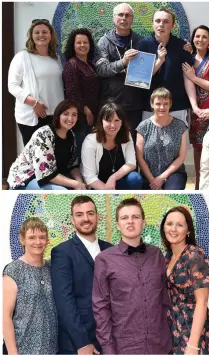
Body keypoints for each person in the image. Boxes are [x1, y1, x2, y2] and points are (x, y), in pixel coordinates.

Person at [92, 198, 172, 354]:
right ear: (117, 225)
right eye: (124, 218)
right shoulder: (104, 260)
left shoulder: (157, 254)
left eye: (135, 217)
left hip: (160, 346)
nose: (130, 222)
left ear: (143, 222)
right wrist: (108, 348)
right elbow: (100, 308)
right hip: (124, 348)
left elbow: (164, 299)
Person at [51, 195, 112, 355]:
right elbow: (64, 302)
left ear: (98, 216)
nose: (86, 219)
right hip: (78, 344)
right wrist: (82, 343)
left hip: (109, 340)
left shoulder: (110, 249)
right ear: (72, 220)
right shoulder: (62, 252)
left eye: (90, 213)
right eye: (79, 215)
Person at [160, 206, 209, 354]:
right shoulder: (166, 258)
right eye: (170, 224)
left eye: (180, 225)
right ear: (163, 227)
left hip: (192, 330)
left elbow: (202, 302)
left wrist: (193, 345)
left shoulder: (194, 255)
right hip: (172, 329)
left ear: (188, 230)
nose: (173, 229)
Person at [3, 217, 58, 355]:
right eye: (32, 237)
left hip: (52, 348)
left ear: (47, 240)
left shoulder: (52, 268)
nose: (38, 242)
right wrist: (12, 352)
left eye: (42, 237)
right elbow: (5, 316)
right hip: (23, 348)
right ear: (22, 240)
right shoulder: (13, 270)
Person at [137, 8, 201, 125]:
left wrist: (194, 105)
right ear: (152, 24)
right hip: (150, 107)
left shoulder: (182, 46)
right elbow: (140, 79)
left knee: (179, 143)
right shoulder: (143, 45)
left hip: (177, 106)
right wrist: (160, 61)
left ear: (173, 25)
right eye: (157, 21)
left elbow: (187, 77)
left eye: (166, 21)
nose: (161, 25)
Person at [7, 99, 87, 190]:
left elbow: (72, 165)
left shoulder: (71, 135)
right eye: (66, 114)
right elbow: (46, 174)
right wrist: (75, 184)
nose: (70, 118)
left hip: (51, 177)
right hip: (27, 179)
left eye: (74, 115)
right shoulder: (44, 134)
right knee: (62, 192)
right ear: (58, 116)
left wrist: (80, 182)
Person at [8, 19, 64, 146]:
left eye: (45, 32)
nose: (41, 35)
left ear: (51, 35)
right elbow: (12, 86)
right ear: (31, 36)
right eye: (37, 32)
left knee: (52, 157)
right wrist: (34, 103)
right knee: (35, 158)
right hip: (33, 117)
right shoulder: (22, 57)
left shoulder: (56, 58)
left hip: (55, 116)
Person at [95, 3, 143, 142]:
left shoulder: (141, 41)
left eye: (127, 15)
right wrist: (123, 62)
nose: (124, 18)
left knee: (133, 143)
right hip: (112, 102)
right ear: (114, 18)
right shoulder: (103, 42)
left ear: (132, 19)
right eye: (120, 15)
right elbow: (101, 70)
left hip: (135, 102)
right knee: (112, 142)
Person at [182, 25, 209, 189]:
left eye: (204, 37)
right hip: (196, 112)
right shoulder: (189, 58)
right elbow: (187, 83)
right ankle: (199, 185)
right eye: (197, 36)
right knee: (198, 149)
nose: (200, 39)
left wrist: (193, 76)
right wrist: (195, 108)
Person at [81, 102, 142, 190]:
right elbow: (90, 177)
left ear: (122, 122)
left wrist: (113, 178)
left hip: (118, 182)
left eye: (117, 120)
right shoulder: (90, 141)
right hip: (98, 185)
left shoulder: (126, 135)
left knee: (135, 178)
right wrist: (109, 192)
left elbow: (131, 163)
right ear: (101, 121)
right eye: (108, 120)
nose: (113, 125)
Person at [136, 88, 187, 190]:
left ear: (170, 104)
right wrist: (152, 180)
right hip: (148, 175)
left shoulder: (180, 126)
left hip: (173, 174)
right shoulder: (143, 126)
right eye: (158, 104)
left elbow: (181, 157)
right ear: (152, 104)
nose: (162, 107)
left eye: (166, 103)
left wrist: (162, 177)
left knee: (171, 195)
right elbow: (140, 158)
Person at [63, 28, 100, 159]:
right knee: (81, 151)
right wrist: (86, 111)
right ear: (73, 45)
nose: (82, 45)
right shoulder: (72, 65)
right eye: (79, 43)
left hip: (92, 116)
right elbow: (72, 93)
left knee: (90, 151)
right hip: (80, 117)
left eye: (85, 42)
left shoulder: (90, 64)